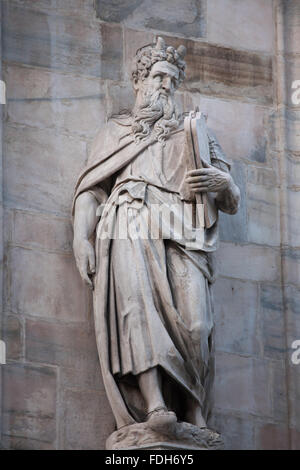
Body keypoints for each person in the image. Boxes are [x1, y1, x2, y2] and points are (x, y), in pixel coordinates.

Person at [72, 37, 240, 433]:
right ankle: (155, 404)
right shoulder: (116, 132)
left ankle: (195, 407)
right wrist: (82, 236)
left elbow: (231, 199)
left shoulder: (194, 133)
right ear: (140, 82)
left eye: (172, 79)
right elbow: (91, 189)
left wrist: (222, 181)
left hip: (184, 229)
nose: (166, 85)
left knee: (197, 323)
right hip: (129, 220)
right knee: (137, 309)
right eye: (159, 76)